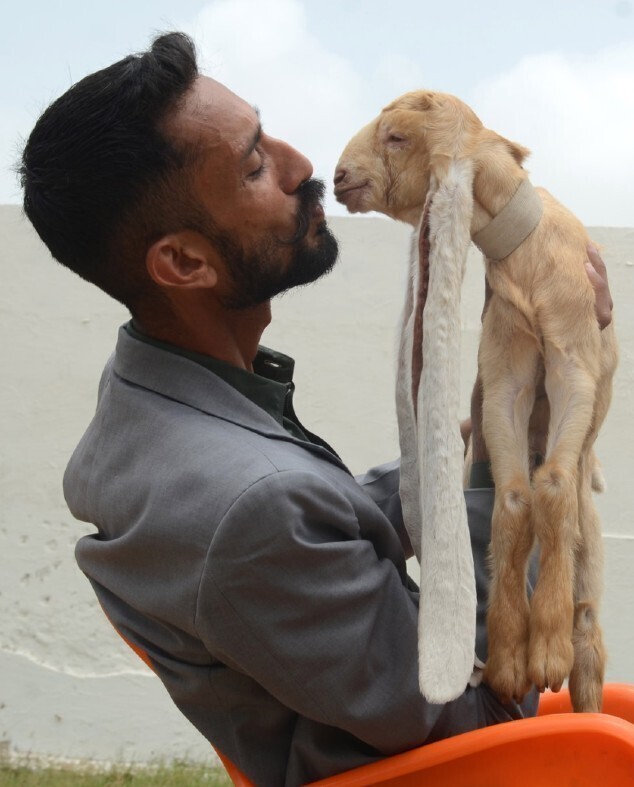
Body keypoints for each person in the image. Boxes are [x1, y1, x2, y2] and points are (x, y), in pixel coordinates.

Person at [20, 32, 613, 786]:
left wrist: (475, 435)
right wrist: (528, 431)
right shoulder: (246, 505)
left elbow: (321, 526)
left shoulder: (154, 408)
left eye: (266, 134)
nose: (306, 167)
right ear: (183, 263)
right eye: (256, 165)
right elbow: (487, 708)